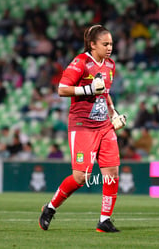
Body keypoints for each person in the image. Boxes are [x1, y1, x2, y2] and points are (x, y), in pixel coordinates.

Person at [39, 25, 126, 233]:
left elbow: (105, 93)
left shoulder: (110, 65)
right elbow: (61, 89)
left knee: (112, 171)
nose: (109, 48)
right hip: (82, 125)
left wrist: (113, 114)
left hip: (104, 125)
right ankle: (50, 208)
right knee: (81, 177)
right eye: (105, 44)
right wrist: (87, 88)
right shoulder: (81, 62)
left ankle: (104, 220)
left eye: (111, 44)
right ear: (93, 44)